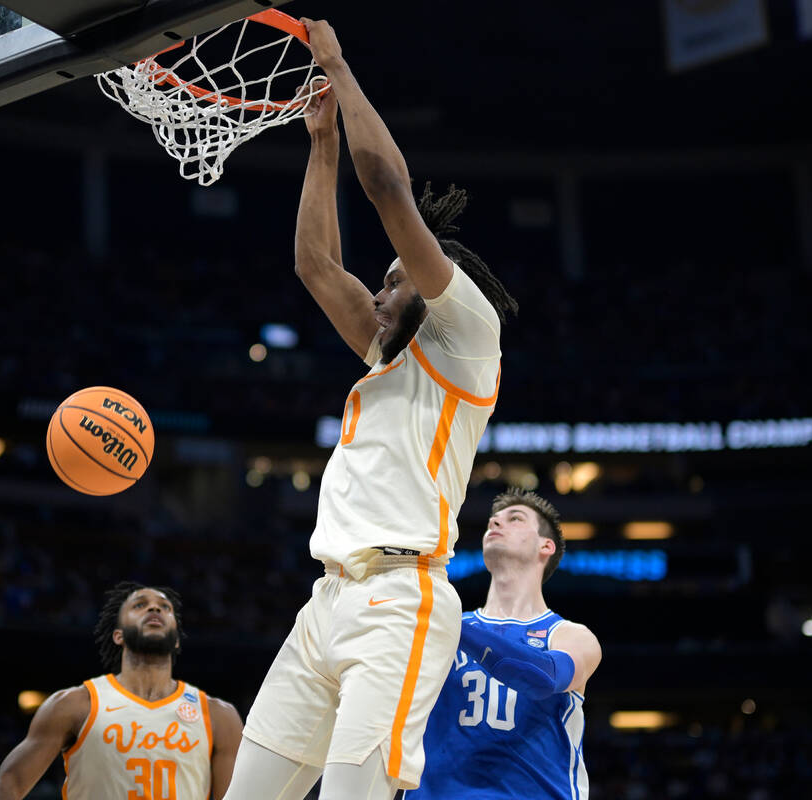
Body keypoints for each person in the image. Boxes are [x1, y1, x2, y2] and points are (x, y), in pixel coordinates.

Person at [222, 18, 520, 800]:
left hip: (401, 601)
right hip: (324, 602)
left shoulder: (466, 340)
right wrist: (318, 143)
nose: (378, 291)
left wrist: (339, 67)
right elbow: (314, 264)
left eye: (392, 280)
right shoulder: (388, 357)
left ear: (438, 287)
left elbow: (388, 189)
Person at [406, 489, 602, 799]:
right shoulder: (442, 625)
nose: (496, 523)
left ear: (545, 546)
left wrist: (448, 623)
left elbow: (542, 678)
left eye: (515, 519)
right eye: (493, 520)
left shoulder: (570, 635)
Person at [0, 581, 243, 800]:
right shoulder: (75, 704)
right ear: (118, 635)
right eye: (140, 605)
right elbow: (11, 783)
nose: (155, 608)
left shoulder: (218, 716)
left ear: (176, 638)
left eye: (165, 608)